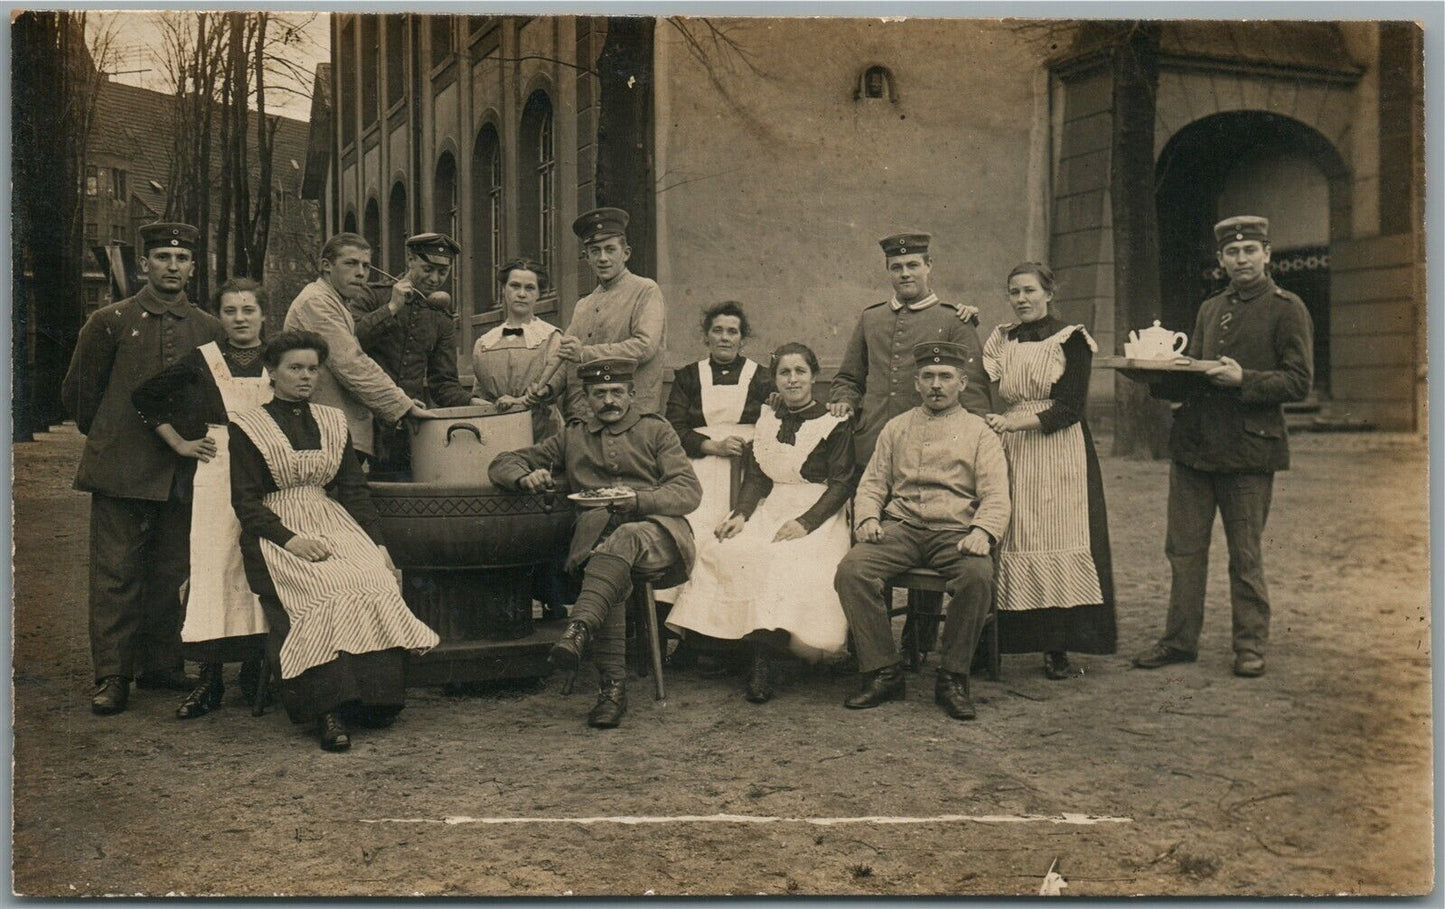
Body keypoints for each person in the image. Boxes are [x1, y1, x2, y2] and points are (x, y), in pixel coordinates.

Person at [229, 331, 440, 751]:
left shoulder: (332, 420)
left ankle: (376, 697)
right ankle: (328, 708)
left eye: (312, 368)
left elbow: (353, 490)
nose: (306, 377)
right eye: (295, 368)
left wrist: (377, 545)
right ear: (272, 372)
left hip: (331, 519)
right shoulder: (247, 425)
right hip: (276, 531)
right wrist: (292, 541)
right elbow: (246, 503)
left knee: (373, 580)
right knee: (325, 589)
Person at [1132, 216, 1313, 679]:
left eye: (1250, 250)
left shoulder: (1286, 308)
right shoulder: (1211, 308)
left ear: (1267, 254)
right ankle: (1178, 641)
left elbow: (1299, 382)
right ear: (1221, 259)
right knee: (1184, 551)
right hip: (1194, 448)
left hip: (1249, 453)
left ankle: (1249, 646)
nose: (1241, 259)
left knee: (1245, 554)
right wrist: (1165, 382)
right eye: (1232, 253)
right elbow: (1195, 368)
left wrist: (1243, 380)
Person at [62, 222, 226, 715]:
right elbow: (80, 395)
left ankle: (162, 665)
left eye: (180, 260)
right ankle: (112, 675)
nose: (171, 267)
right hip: (121, 469)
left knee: (171, 568)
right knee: (116, 573)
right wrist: (115, 439)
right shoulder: (110, 320)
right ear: (144, 265)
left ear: (193, 268)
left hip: (183, 470)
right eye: (161, 258)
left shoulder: (208, 328)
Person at [489, 358, 701, 729]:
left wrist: (638, 501)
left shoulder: (657, 431)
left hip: (657, 533)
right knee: (610, 560)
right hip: (600, 545)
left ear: (632, 394)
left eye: (616, 392)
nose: (608, 400)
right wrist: (525, 477)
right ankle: (612, 690)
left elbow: (688, 491)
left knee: (625, 537)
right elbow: (503, 461)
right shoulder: (573, 435)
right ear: (586, 398)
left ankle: (581, 629)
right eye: (599, 394)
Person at [666, 342, 855, 703]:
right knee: (723, 547)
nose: (793, 379)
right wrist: (740, 513)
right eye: (784, 372)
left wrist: (806, 522)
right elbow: (757, 477)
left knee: (782, 560)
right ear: (776, 379)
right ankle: (719, 646)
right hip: (772, 505)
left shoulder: (835, 422)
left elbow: (843, 483)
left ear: (814, 376)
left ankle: (763, 661)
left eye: (800, 371)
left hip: (819, 512)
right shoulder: (767, 418)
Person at [833, 341, 1010, 721]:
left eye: (945, 377)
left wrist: (983, 532)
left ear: (962, 382)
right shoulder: (896, 428)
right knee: (852, 570)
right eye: (928, 376)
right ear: (916, 382)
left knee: (977, 576)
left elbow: (996, 494)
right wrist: (867, 518)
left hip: (956, 532)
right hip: (902, 528)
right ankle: (884, 670)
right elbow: (874, 482)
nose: (936, 385)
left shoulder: (980, 433)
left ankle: (952, 677)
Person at [131, 278, 273, 717]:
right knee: (212, 568)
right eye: (230, 311)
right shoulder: (203, 360)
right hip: (218, 471)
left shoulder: (279, 359)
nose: (240, 319)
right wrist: (179, 443)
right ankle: (210, 681)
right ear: (220, 317)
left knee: (261, 565)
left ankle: (255, 674)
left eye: (248, 310)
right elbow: (144, 398)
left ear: (264, 315)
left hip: (268, 473)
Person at [982, 263, 1117, 680]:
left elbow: (1070, 407)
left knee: (1056, 531)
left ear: (1048, 293)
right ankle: (1005, 640)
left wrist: (1014, 422)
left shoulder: (1071, 339)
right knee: (1015, 533)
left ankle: (1058, 645)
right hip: (1011, 449)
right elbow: (976, 378)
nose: (1021, 299)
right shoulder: (1001, 338)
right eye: (1013, 292)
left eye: (1029, 291)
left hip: (1058, 448)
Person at [828, 232, 990, 466]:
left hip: (931, 446)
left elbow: (973, 392)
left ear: (928, 266)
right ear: (888, 271)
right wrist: (844, 399)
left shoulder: (953, 319)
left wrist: (977, 446)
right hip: (872, 441)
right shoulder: (871, 318)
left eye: (913, 265)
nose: (905, 274)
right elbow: (848, 378)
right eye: (896, 267)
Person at [656, 301, 773, 607]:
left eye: (732, 332)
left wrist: (748, 447)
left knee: (742, 542)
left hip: (750, 470)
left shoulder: (761, 377)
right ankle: (687, 621)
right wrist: (713, 446)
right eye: (717, 330)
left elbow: (774, 426)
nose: (724, 337)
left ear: (742, 338)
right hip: (700, 470)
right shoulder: (688, 377)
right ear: (706, 336)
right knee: (697, 536)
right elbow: (673, 429)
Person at [282, 232, 434, 463]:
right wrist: (402, 406)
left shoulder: (334, 301)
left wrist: (402, 402)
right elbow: (351, 362)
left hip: (333, 429)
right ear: (326, 266)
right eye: (351, 263)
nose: (361, 273)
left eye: (366, 266)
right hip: (322, 433)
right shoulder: (316, 302)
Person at [348, 232, 472, 472]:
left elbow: (443, 383)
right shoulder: (372, 296)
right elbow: (350, 343)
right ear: (410, 260)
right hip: (358, 420)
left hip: (402, 428)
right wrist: (392, 307)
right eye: (428, 269)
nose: (435, 278)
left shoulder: (440, 318)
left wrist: (475, 402)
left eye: (443, 272)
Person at [546, 208, 667, 421]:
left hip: (629, 417)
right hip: (583, 417)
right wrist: (547, 389)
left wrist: (584, 354)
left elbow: (644, 347)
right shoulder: (583, 305)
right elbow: (567, 359)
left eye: (610, 249)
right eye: (595, 251)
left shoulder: (645, 290)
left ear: (626, 253)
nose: (603, 258)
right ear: (587, 257)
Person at [470, 257, 564, 442]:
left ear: (539, 294)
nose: (521, 294)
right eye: (515, 286)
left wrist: (521, 402)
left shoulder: (551, 337)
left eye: (529, 288)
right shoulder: (485, 342)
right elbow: (479, 392)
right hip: (496, 429)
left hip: (542, 431)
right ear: (503, 289)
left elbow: (556, 384)